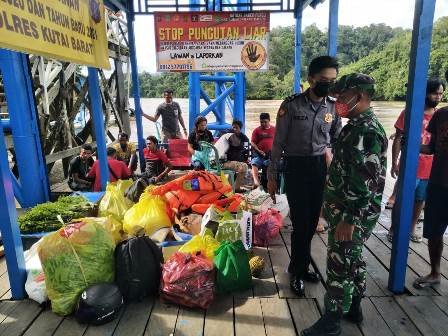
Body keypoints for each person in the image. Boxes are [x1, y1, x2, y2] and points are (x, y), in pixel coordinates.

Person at [301, 74, 388, 336]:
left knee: (339, 263)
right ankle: (354, 307)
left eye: (341, 97)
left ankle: (332, 320)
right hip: (347, 210)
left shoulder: (366, 130)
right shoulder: (356, 124)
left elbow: (364, 181)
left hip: (352, 214)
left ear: (359, 97)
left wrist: (349, 218)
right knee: (353, 259)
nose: (337, 101)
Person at [267, 56, 342, 297]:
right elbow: (278, 143)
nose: (328, 85)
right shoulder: (291, 105)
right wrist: (271, 175)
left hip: (320, 167)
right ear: (311, 79)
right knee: (300, 223)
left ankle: (301, 265)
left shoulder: (333, 107)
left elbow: (338, 139)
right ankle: (297, 272)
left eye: (332, 81)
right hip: (296, 167)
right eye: (323, 80)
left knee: (311, 223)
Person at [387, 79, 445, 243]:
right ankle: (394, 228)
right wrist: (394, 162)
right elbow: (398, 138)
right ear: (425, 93)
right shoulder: (410, 112)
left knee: (420, 200)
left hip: (430, 168)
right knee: (401, 199)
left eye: (441, 94)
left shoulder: (439, 115)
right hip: (411, 165)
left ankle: (411, 227)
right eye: (435, 93)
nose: (438, 97)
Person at [413, 77, 448, 289]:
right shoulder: (441, 115)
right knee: (434, 232)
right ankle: (435, 272)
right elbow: (433, 147)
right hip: (438, 183)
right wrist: (411, 144)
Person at [222, 120, 250, 192]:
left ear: (240, 129)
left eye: (236, 128)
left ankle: (231, 187)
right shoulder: (227, 135)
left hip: (236, 161)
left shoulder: (244, 138)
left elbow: (246, 151)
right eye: (233, 127)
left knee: (243, 165)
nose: (234, 129)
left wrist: (245, 159)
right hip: (226, 162)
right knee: (244, 167)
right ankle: (236, 188)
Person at [250, 112, 275, 188]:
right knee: (254, 163)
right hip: (260, 154)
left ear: (269, 120)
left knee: (270, 165)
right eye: (261, 122)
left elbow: (279, 142)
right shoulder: (256, 130)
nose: (263, 123)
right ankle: (256, 182)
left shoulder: (275, 129)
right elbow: (252, 142)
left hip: (271, 155)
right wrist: (258, 150)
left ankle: (270, 184)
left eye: (265, 122)